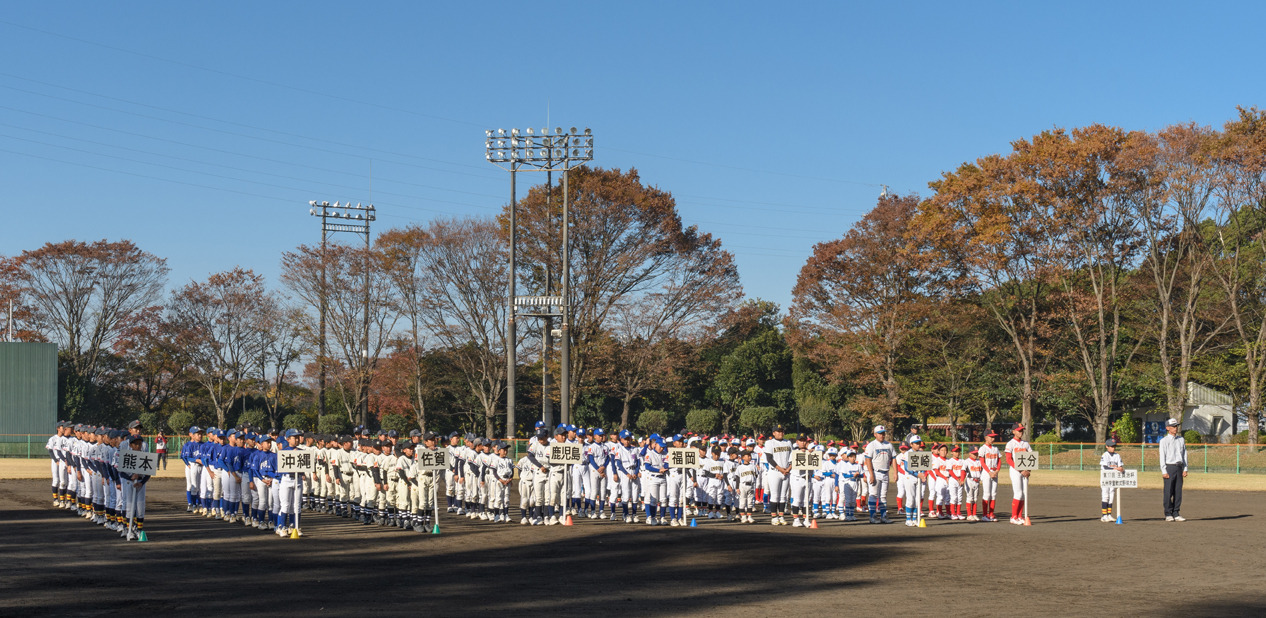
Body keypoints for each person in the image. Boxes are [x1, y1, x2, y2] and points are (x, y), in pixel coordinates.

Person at [863, 425, 895, 524]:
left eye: (883, 433)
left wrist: (895, 472)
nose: (882, 435)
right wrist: (871, 474)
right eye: (880, 433)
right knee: (873, 494)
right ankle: (872, 516)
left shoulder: (888, 445)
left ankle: (883, 516)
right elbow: (867, 459)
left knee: (883, 496)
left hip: (885, 472)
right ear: (875, 434)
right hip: (875, 472)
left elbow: (893, 458)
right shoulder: (871, 445)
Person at [1158, 418, 1188, 522]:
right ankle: (1168, 513)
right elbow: (1162, 456)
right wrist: (1164, 471)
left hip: (1179, 466)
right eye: (1173, 426)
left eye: (1176, 426)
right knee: (1168, 491)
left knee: (1178, 492)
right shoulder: (1163, 441)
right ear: (1167, 428)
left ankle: (1176, 513)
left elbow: (1184, 454)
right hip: (1169, 467)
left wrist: (1185, 468)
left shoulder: (1181, 439)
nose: (1175, 428)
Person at [1004, 424, 1032, 525]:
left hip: (1025, 472)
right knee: (1018, 493)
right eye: (1019, 430)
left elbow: (1031, 457)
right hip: (1015, 471)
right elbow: (1008, 459)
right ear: (1013, 432)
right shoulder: (1010, 444)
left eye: (1022, 430)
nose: (1021, 432)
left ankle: (1020, 516)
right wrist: (1021, 470)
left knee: (1024, 494)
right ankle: (1013, 517)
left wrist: (1028, 470)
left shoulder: (1025, 444)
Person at [977, 432, 1001, 522]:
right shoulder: (983, 448)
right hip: (987, 472)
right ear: (986, 437)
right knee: (987, 494)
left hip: (994, 472)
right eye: (991, 437)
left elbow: (999, 461)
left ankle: (991, 514)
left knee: (993, 494)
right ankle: (984, 515)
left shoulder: (995, 448)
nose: (992, 439)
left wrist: (997, 471)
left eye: (993, 437)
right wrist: (989, 472)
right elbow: (982, 462)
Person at [1100, 439, 1125, 522]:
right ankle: (1104, 515)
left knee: (1112, 495)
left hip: (1113, 478)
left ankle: (1109, 514)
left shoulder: (1117, 455)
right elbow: (1105, 467)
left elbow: (1120, 466)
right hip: (1105, 478)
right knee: (1105, 495)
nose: (1113, 448)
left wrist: (1120, 468)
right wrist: (1116, 468)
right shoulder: (1105, 455)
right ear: (1107, 446)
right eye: (1111, 446)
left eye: (1114, 446)